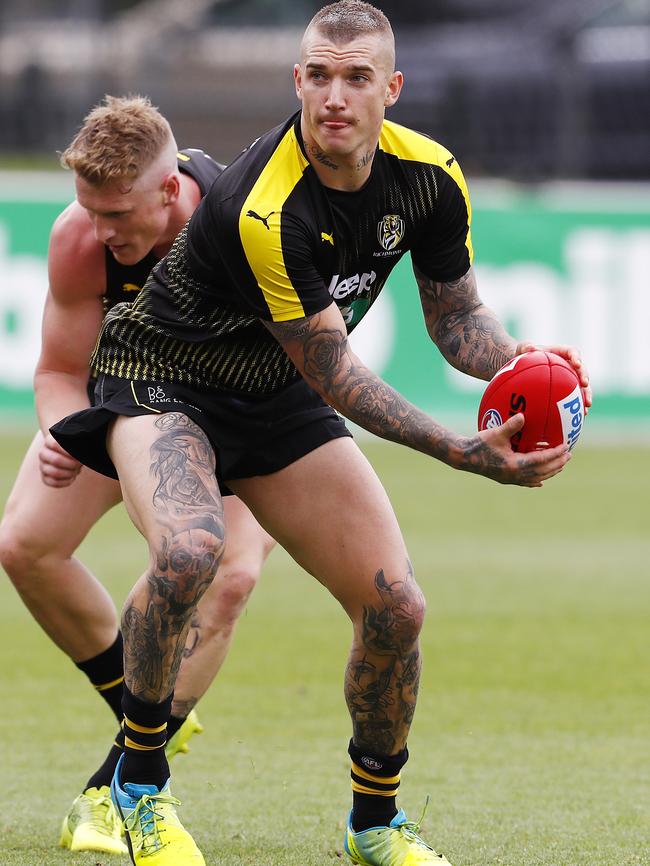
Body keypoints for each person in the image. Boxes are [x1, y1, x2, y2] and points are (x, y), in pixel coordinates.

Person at [50, 4, 592, 866]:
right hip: (163, 380)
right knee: (192, 553)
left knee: (395, 605)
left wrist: (520, 362)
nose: (333, 95)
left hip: (269, 392)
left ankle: (374, 822)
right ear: (296, 79)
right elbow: (335, 375)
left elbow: (456, 323)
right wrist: (464, 453)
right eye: (316, 74)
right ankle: (134, 793)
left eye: (355, 77)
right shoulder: (266, 206)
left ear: (392, 89)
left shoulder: (430, 177)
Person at [0, 95, 274, 856]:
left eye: (118, 214)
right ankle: (148, 711)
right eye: (91, 210)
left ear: (168, 190)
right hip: (127, 405)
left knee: (229, 574)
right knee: (24, 544)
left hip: (241, 414)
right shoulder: (80, 239)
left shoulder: (242, 227)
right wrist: (61, 431)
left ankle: (112, 786)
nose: (103, 231)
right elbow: (59, 368)